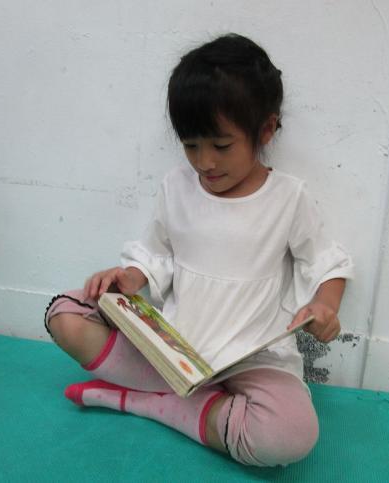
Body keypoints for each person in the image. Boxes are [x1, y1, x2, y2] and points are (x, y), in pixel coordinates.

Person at [44, 33, 353, 467]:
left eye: (221, 146)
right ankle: (186, 397)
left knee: (291, 435)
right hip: (175, 351)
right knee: (66, 314)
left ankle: (149, 403)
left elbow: (327, 264)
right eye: (191, 145)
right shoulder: (177, 187)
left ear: (265, 129)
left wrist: (325, 306)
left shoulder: (288, 197)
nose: (205, 162)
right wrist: (127, 278)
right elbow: (155, 254)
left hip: (255, 358)